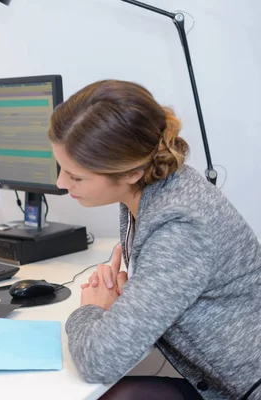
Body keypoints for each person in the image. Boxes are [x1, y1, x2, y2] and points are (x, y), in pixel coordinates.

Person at [48, 80, 261, 399]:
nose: (61, 183)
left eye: (76, 176)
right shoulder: (151, 185)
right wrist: (133, 301)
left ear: (131, 171)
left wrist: (91, 310)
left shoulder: (179, 224)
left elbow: (99, 361)